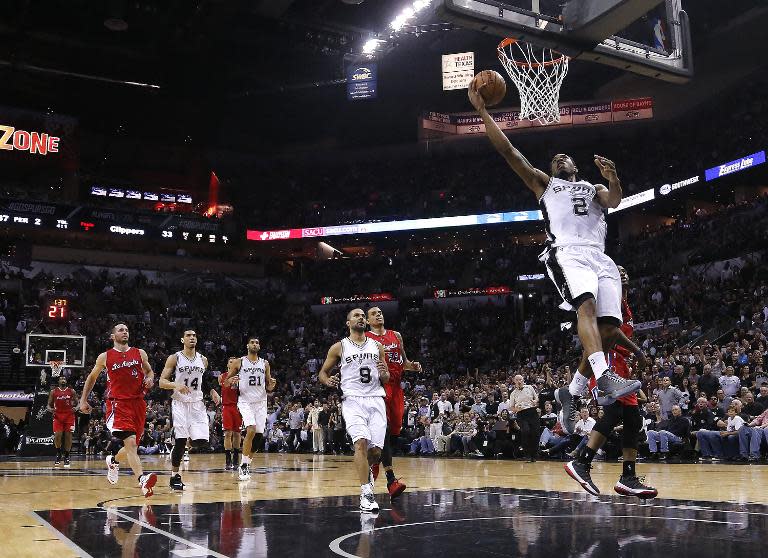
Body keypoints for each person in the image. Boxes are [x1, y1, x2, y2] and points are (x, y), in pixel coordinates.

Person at [468, 81, 642, 439]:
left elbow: (615, 201)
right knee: (587, 307)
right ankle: (603, 376)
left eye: (564, 158)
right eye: (554, 159)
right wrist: (484, 113)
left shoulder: (594, 188)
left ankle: (573, 392)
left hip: (600, 256)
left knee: (610, 329)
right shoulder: (544, 183)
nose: (559, 159)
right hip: (567, 252)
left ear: (576, 165)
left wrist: (613, 177)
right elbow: (510, 152)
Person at [564, 266, 657, 498]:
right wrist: (638, 351)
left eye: (625, 271)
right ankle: (582, 463)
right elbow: (610, 333)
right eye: (618, 271)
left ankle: (627, 477)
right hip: (607, 361)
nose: (623, 274)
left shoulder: (623, 302)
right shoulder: (608, 298)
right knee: (615, 412)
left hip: (621, 364)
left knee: (633, 419)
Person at [318, 308, 390, 513]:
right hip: (352, 400)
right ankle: (366, 493)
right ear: (348, 323)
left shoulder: (378, 346)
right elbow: (322, 373)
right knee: (360, 443)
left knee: (375, 452)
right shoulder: (339, 347)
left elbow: (384, 378)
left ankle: (367, 479)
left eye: (362, 316)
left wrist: (384, 374)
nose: (360, 318)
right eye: (356, 315)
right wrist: (328, 380)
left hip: (376, 398)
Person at [79, 323, 157, 497]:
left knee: (133, 445)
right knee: (130, 442)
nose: (125, 332)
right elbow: (91, 378)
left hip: (138, 404)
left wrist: (150, 379)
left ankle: (113, 461)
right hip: (117, 404)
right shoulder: (105, 357)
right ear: (113, 336)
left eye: (127, 330)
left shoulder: (139, 353)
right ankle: (142, 480)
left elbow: (150, 372)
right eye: (121, 330)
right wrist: (83, 399)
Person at [365, 306, 421, 500]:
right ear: (367, 320)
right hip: (379, 389)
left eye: (380, 312)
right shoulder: (366, 339)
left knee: (394, 434)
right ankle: (391, 480)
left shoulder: (396, 335)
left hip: (397, 389)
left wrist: (412, 366)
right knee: (385, 429)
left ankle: (375, 462)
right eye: (374, 313)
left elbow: (403, 362)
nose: (379, 314)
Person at [159, 329, 221, 490]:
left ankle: (180, 441)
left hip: (197, 403)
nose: (192, 337)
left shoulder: (203, 360)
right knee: (181, 441)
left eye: (194, 335)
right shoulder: (175, 358)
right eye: (188, 335)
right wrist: (176, 385)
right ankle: (175, 476)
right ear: (182, 340)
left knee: (201, 442)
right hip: (180, 403)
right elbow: (161, 382)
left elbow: (204, 381)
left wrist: (213, 391)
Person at [225, 337, 277, 481]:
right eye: (252, 342)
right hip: (245, 401)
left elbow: (268, 385)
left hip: (261, 402)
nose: (255, 344)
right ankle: (242, 465)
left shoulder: (265, 363)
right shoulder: (239, 362)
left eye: (257, 343)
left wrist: (272, 386)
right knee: (251, 429)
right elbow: (226, 382)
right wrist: (231, 381)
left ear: (259, 346)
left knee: (259, 436)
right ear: (247, 345)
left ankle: (247, 463)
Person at [47, 375, 77, 468]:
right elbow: (48, 405)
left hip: (69, 415)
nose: (63, 380)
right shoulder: (53, 392)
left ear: (66, 381)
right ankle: (59, 452)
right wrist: (50, 409)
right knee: (58, 435)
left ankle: (67, 456)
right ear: (58, 381)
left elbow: (78, 402)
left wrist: (77, 407)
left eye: (64, 378)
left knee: (68, 436)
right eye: (61, 379)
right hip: (58, 416)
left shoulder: (72, 391)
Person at [509, 374, 539, 462]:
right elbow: (511, 407)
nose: (519, 381)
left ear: (523, 380)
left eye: (520, 379)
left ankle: (534, 455)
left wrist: (535, 401)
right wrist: (516, 409)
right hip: (521, 414)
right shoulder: (513, 393)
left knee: (535, 433)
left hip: (532, 412)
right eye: (517, 380)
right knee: (525, 431)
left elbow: (536, 397)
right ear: (514, 381)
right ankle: (527, 455)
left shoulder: (529, 387)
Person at [220, 357, 243, 470]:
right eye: (231, 362)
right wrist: (231, 380)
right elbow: (225, 385)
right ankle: (228, 460)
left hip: (238, 406)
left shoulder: (241, 377)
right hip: (227, 406)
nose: (233, 363)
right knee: (228, 433)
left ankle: (236, 459)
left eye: (235, 362)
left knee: (237, 433)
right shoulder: (222, 376)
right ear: (228, 364)